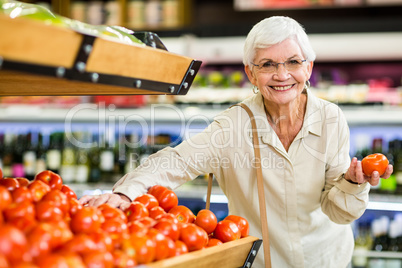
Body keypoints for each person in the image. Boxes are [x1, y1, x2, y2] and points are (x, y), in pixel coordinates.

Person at [80, 16, 393, 267]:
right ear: (251, 74)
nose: (282, 74)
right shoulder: (234, 125)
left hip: (327, 261)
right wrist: (126, 190)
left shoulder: (331, 118)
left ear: (308, 68)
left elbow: (338, 212)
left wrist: (353, 184)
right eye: (267, 65)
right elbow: (176, 161)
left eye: (293, 62)